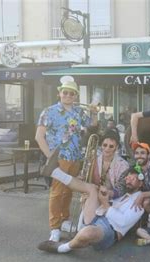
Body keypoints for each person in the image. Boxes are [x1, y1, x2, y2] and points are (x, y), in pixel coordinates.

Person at [35, 80, 97, 242]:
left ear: (76, 95)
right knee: (57, 192)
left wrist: (94, 112)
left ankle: (65, 220)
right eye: (65, 92)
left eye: (72, 93)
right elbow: (39, 137)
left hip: (75, 158)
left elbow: (93, 126)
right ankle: (54, 227)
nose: (68, 95)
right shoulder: (49, 111)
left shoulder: (79, 112)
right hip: (59, 158)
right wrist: (50, 157)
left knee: (69, 191)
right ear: (59, 93)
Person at [37, 167, 145, 253]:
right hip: (99, 217)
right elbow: (104, 207)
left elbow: (123, 221)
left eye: (132, 178)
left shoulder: (139, 203)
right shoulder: (123, 195)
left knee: (88, 232)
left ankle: (62, 248)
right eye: (127, 178)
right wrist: (92, 201)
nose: (128, 180)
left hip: (110, 231)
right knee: (92, 188)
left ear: (140, 184)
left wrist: (105, 204)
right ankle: (55, 172)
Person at [93, 130, 129, 199]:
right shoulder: (95, 160)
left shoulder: (123, 165)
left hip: (114, 198)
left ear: (117, 147)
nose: (107, 149)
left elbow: (122, 189)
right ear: (101, 145)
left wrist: (107, 193)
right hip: (95, 194)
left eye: (111, 146)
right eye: (105, 145)